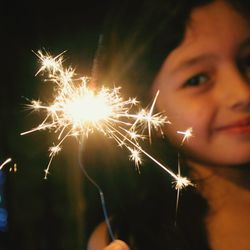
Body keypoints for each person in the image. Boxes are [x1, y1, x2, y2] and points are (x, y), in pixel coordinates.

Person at [85, 0, 250, 249]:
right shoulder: (126, 238)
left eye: (248, 61)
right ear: (142, 106)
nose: (243, 93)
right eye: (198, 79)